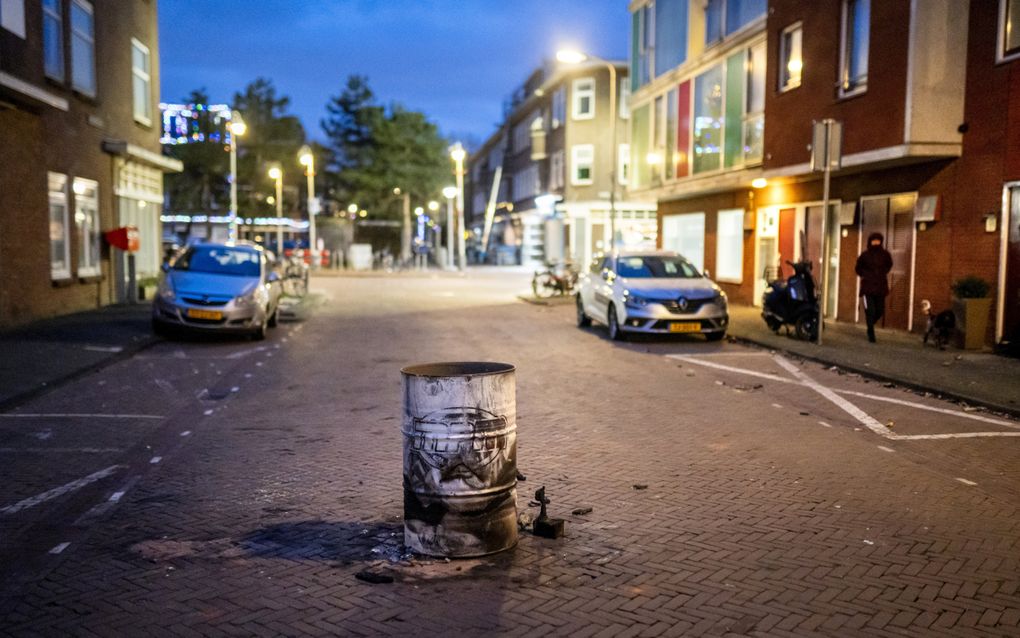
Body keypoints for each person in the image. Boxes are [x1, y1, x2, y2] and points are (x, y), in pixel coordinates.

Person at [855, 232, 893, 343]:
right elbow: (858, 268)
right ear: (870, 242)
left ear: (881, 242)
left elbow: (889, 264)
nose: (876, 242)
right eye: (874, 240)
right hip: (867, 288)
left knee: (880, 310)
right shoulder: (864, 255)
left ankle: (870, 323)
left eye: (878, 240)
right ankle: (871, 333)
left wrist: (882, 273)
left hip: (880, 288)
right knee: (870, 311)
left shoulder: (885, 255)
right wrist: (865, 275)